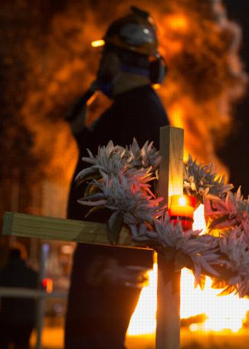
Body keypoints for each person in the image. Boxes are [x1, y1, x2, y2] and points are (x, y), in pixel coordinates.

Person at [63, 6, 170, 349]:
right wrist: (82, 134)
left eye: (106, 53)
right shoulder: (135, 109)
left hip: (107, 256)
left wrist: (114, 260)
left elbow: (134, 191)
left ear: (118, 57)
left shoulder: (135, 111)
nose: (102, 63)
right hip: (107, 254)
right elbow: (107, 168)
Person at [0, 247, 39, 349]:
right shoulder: (31, 273)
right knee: (22, 344)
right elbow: (37, 283)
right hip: (27, 319)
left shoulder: (5, 272)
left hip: (7, 318)